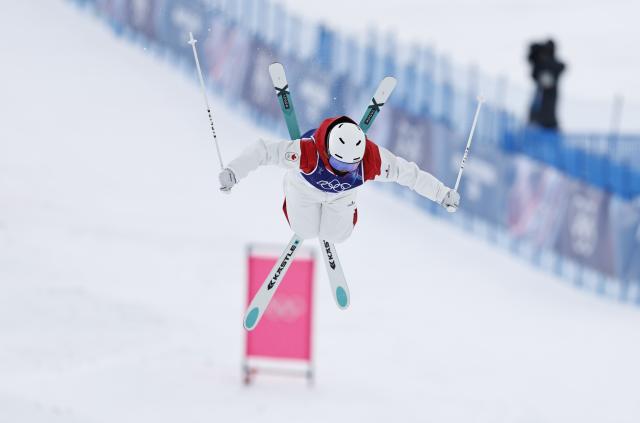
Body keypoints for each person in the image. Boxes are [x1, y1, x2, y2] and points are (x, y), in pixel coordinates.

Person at [218, 115, 460, 243]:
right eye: (337, 163)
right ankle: (290, 185)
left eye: (349, 165)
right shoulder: (307, 153)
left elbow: (409, 174)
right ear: (328, 152)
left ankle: (337, 213)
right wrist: (233, 172)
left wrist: (442, 194)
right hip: (304, 188)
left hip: (341, 196)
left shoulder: (372, 160)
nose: (342, 169)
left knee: (337, 237)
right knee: (304, 231)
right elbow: (263, 150)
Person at [527, 39, 566, 130]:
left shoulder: (553, 65)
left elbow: (562, 67)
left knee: (548, 121)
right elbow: (534, 74)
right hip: (538, 107)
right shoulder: (540, 65)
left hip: (548, 111)